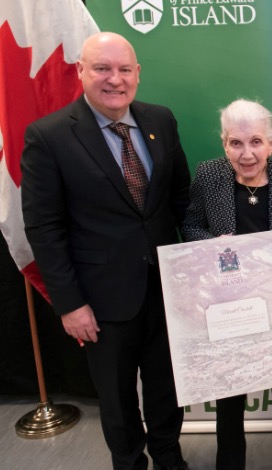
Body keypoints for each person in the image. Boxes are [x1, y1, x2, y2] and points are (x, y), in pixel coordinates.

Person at [21, 32, 190, 470]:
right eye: (102, 68)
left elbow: (180, 198)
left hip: (166, 290)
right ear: (81, 71)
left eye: (124, 69)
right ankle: (130, 463)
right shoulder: (49, 136)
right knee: (117, 401)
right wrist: (70, 304)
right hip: (100, 299)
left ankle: (171, 460)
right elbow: (44, 226)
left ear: (138, 74)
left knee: (167, 389)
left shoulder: (161, 120)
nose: (114, 79)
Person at [181, 98, 272, 470]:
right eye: (236, 143)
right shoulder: (209, 175)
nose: (247, 154)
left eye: (256, 142)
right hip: (227, 313)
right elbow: (191, 225)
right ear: (223, 142)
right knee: (229, 402)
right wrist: (209, 246)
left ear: (271, 143)